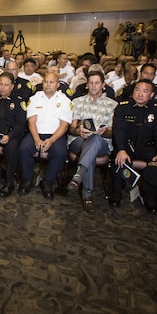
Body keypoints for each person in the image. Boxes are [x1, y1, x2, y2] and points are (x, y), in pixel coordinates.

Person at [111, 80, 157, 212]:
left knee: (156, 164)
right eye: (137, 90)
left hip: (149, 148)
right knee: (118, 159)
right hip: (127, 146)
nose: (140, 94)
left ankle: (151, 199)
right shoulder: (122, 107)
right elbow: (119, 131)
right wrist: (121, 149)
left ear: (151, 95)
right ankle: (116, 195)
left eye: (145, 91)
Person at [67, 70, 118, 213]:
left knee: (95, 139)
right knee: (90, 146)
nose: (94, 86)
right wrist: (79, 131)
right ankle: (86, 193)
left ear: (103, 85)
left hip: (101, 142)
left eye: (97, 83)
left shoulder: (112, 105)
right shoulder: (77, 102)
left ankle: (79, 177)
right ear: (87, 85)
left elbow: (112, 131)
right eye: (91, 83)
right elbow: (71, 129)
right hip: (78, 141)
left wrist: (103, 132)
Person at [18, 72, 73, 199]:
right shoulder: (35, 98)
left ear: (58, 85)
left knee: (60, 153)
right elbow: (31, 121)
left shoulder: (64, 100)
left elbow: (64, 125)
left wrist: (52, 140)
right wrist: (36, 139)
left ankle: (47, 181)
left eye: (51, 82)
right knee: (23, 148)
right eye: (45, 82)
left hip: (56, 135)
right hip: (36, 133)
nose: (48, 85)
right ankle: (27, 179)